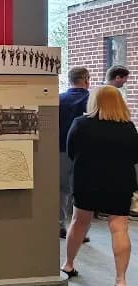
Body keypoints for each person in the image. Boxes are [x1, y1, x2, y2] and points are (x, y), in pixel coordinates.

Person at [62, 86, 138, 286]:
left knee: (79, 222)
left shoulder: (81, 124)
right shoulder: (128, 127)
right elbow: (135, 156)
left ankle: (68, 265)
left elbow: (70, 151)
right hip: (120, 182)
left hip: (87, 179)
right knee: (119, 227)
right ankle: (121, 281)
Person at [59, 67, 90, 240]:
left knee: (61, 190)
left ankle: (60, 225)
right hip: (85, 153)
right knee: (82, 191)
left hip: (60, 149)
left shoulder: (58, 99)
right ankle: (80, 230)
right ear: (86, 79)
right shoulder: (92, 99)